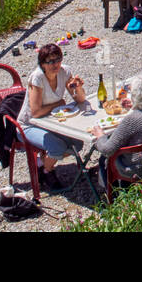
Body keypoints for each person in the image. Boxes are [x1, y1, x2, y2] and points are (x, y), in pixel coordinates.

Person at [17, 43, 87, 189]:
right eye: (50, 61)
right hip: (29, 124)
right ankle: (46, 171)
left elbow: (79, 100)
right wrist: (59, 103)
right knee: (57, 146)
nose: (55, 64)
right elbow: (35, 112)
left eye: (58, 59)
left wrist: (78, 89)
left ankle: (41, 162)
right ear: (42, 64)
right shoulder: (37, 78)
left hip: (51, 121)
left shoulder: (64, 72)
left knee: (78, 143)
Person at [88, 75, 142, 192]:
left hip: (136, 168)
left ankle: (110, 195)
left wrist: (100, 136)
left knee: (103, 158)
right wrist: (135, 105)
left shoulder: (131, 120)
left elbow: (107, 149)